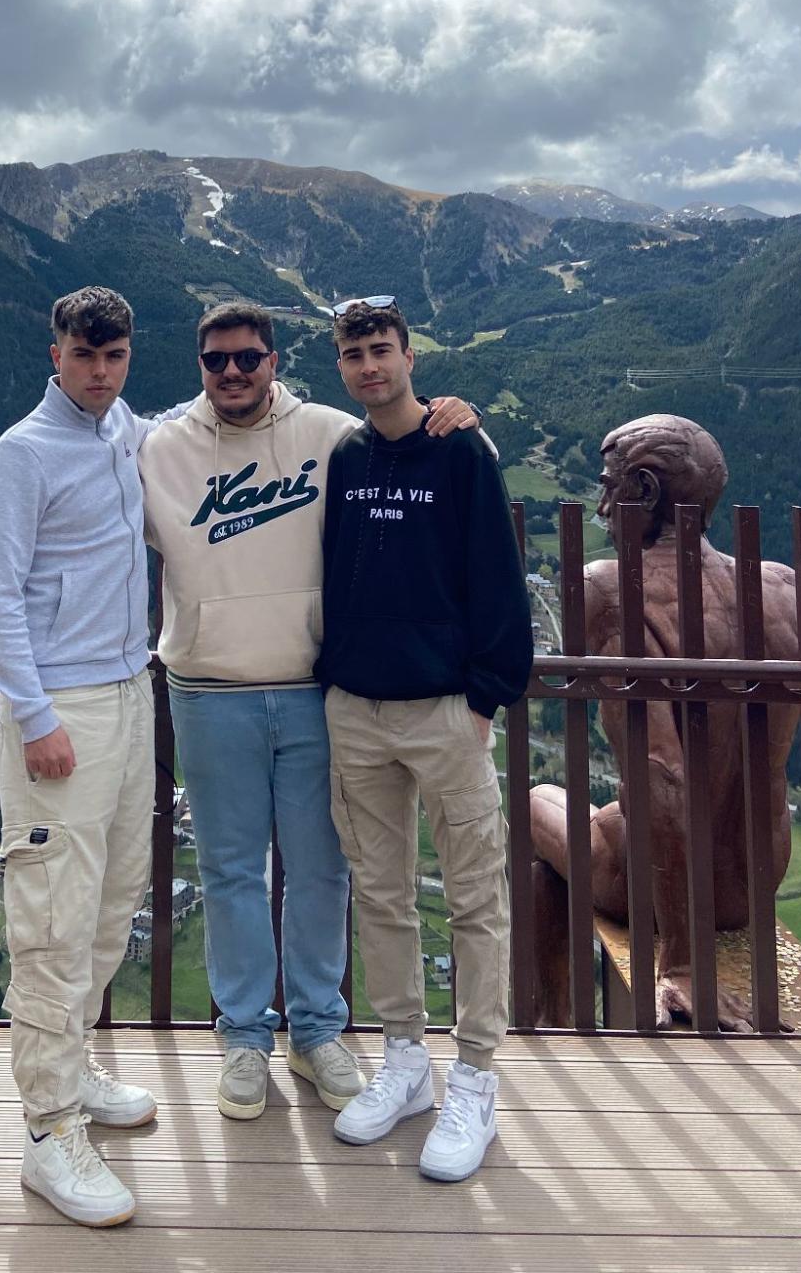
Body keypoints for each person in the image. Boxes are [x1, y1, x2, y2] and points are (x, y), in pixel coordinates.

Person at [138, 298, 483, 1122]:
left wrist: (454, 414)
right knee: (228, 871)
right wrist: (0, 471)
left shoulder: (332, 435)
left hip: (310, 687)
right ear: (199, 366)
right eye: (216, 359)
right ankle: (245, 1036)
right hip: (207, 689)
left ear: (275, 360)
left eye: (248, 358)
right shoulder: (159, 446)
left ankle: (319, 1028)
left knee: (321, 867)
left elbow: (415, 445)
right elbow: (82, 448)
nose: (232, 373)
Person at [0, 285, 185, 1229]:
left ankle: (78, 1065)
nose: (101, 371)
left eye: (116, 356)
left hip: (132, 692)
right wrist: (33, 713)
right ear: (54, 352)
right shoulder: (21, 454)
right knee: (54, 919)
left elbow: (188, 422)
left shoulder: (122, 429)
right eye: (84, 355)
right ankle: (48, 1129)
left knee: (113, 899)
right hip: (63, 711)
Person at [318, 298, 532, 1182]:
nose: (370, 366)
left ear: (411, 355)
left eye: (381, 350)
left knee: (475, 895)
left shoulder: (461, 450)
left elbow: (498, 579)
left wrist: (484, 697)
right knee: (381, 893)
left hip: (446, 709)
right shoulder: (345, 454)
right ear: (341, 366)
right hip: (356, 708)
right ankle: (405, 1058)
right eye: (354, 354)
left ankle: (475, 1074)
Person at [529, 413, 801, 1031]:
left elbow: (659, 771)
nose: (601, 505)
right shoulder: (785, 591)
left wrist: (684, 962)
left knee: (534, 800)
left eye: (610, 485)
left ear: (644, 490)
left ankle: (550, 1016)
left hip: (646, 884)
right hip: (756, 877)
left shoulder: (610, 589)